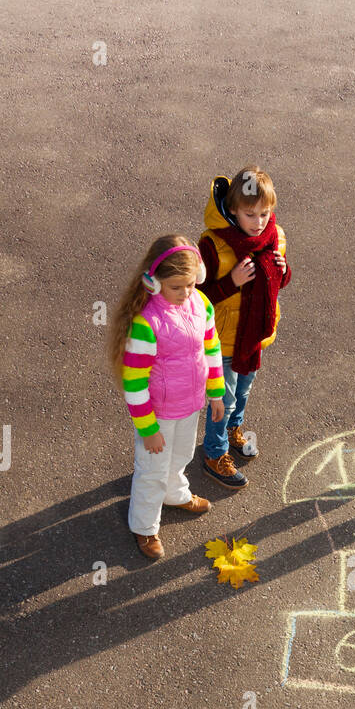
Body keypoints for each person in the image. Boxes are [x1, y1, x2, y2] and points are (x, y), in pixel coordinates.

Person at [110, 236, 225, 560]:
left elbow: (212, 348)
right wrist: (148, 429)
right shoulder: (147, 322)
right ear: (153, 281)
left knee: (181, 457)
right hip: (158, 414)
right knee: (151, 471)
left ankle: (175, 495)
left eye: (190, 284)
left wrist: (216, 393)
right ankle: (144, 527)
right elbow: (134, 385)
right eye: (176, 287)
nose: (186, 293)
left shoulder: (201, 303)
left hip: (189, 405)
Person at [198, 167, 292, 490]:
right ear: (232, 209)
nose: (259, 221)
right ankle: (214, 453)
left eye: (265, 213)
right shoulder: (213, 245)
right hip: (222, 340)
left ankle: (233, 430)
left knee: (242, 392)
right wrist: (231, 283)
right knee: (221, 399)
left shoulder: (274, 237)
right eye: (250, 214)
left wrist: (283, 270)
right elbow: (194, 296)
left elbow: (278, 282)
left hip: (253, 334)